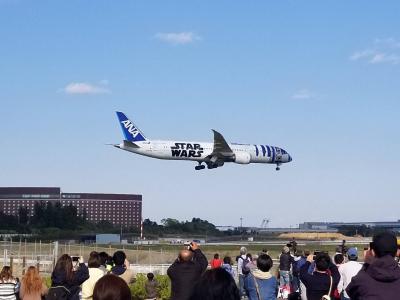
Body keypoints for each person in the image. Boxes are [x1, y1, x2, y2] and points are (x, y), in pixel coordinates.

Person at [346, 231, 400, 300]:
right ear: (397, 252)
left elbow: (351, 291)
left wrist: (367, 263)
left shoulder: (362, 280)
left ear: (373, 252)